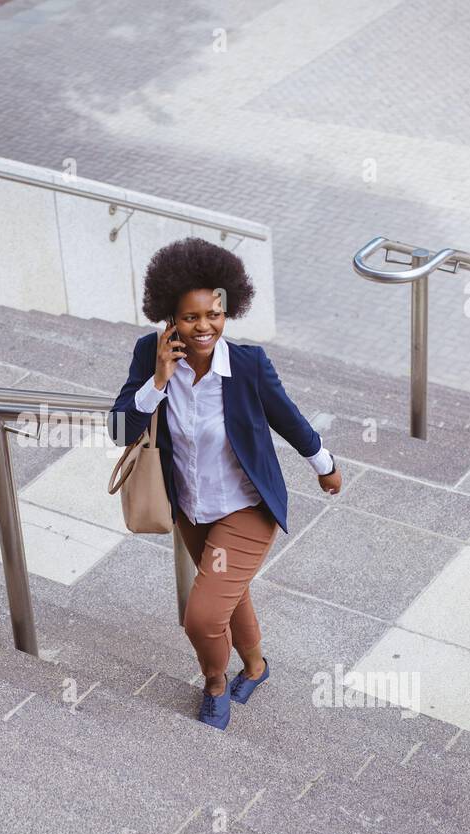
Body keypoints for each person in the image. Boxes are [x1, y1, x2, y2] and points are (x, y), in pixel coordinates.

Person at [109, 237, 342, 730]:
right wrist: (156, 380)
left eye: (214, 314)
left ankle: (215, 685)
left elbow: (288, 417)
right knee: (230, 595)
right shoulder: (150, 355)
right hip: (192, 510)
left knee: (202, 616)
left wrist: (323, 463)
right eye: (191, 317)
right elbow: (118, 430)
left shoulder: (247, 365)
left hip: (245, 507)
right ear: (169, 318)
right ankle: (256, 667)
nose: (204, 327)